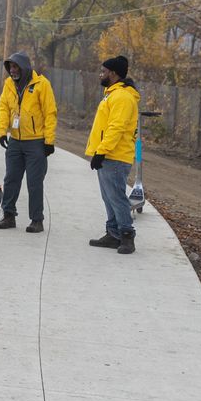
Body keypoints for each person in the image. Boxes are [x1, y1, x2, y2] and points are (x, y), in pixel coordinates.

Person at [0, 51, 57, 232]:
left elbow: (50, 113)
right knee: (11, 179)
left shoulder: (41, 84)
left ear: (24, 67)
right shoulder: (9, 84)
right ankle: (8, 216)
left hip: (35, 142)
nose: (12, 70)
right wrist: (1, 132)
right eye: (10, 67)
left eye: (15, 67)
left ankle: (37, 220)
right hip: (15, 141)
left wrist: (49, 140)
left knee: (34, 182)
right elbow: (4, 108)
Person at [85, 56, 141, 255]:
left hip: (115, 156)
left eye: (104, 71)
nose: (101, 74)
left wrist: (101, 152)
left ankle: (126, 236)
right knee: (108, 197)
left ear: (114, 73)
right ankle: (113, 233)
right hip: (108, 155)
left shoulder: (123, 97)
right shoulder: (111, 94)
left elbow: (116, 128)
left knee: (116, 197)